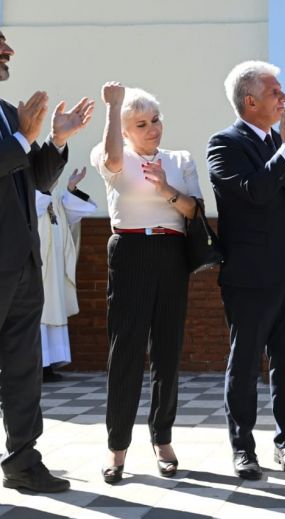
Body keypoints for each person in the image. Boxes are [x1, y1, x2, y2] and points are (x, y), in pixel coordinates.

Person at [208, 60, 285, 479]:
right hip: (249, 275)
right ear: (250, 100)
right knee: (245, 364)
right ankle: (243, 448)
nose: (284, 98)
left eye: (282, 91)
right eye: (275, 92)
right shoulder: (224, 144)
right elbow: (256, 192)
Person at [92, 82, 201, 484]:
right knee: (126, 352)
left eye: (155, 119)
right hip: (130, 252)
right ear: (124, 130)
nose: (152, 128)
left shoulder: (180, 159)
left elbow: (194, 209)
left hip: (172, 254)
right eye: (140, 123)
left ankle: (163, 439)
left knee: (167, 351)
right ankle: (117, 447)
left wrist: (166, 190)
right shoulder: (111, 153)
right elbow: (114, 162)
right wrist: (114, 106)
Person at [0, 30, 94, 493]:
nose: (8, 51)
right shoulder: (13, 122)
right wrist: (23, 135)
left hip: (19, 265)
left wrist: (55, 140)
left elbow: (33, 179)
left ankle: (22, 461)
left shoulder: (5, 112)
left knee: (22, 367)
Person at [36, 167, 97, 382]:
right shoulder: (28, 196)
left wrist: (71, 188)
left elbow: (76, 213)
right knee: (37, 316)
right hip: (36, 272)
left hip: (54, 271)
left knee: (52, 312)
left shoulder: (55, 197)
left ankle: (47, 366)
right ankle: (35, 366)